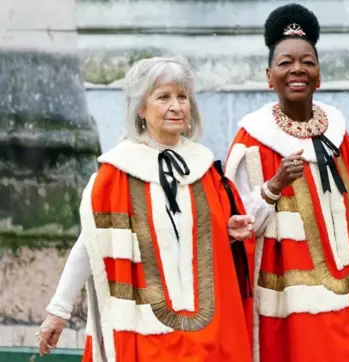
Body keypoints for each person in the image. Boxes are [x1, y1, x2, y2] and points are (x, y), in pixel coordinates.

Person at [224, 4, 349, 362]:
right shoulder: (252, 141)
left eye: (307, 62)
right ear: (269, 77)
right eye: (285, 62)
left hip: (344, 293)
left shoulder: (336, 134)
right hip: (286, 303)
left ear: (319, 76)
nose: (297, 69)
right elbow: (237, 225)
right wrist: (273, 185)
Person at [37, 56, 255, 362]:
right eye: (163, 97)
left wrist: (226, 231)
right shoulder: (118, 170)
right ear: (140, 108)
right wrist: (58, 311)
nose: (176, 106)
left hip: (206, 329)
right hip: (141, 331)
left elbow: (197, 243)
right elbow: (91, 243)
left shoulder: (204, 167)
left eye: (182, 97)